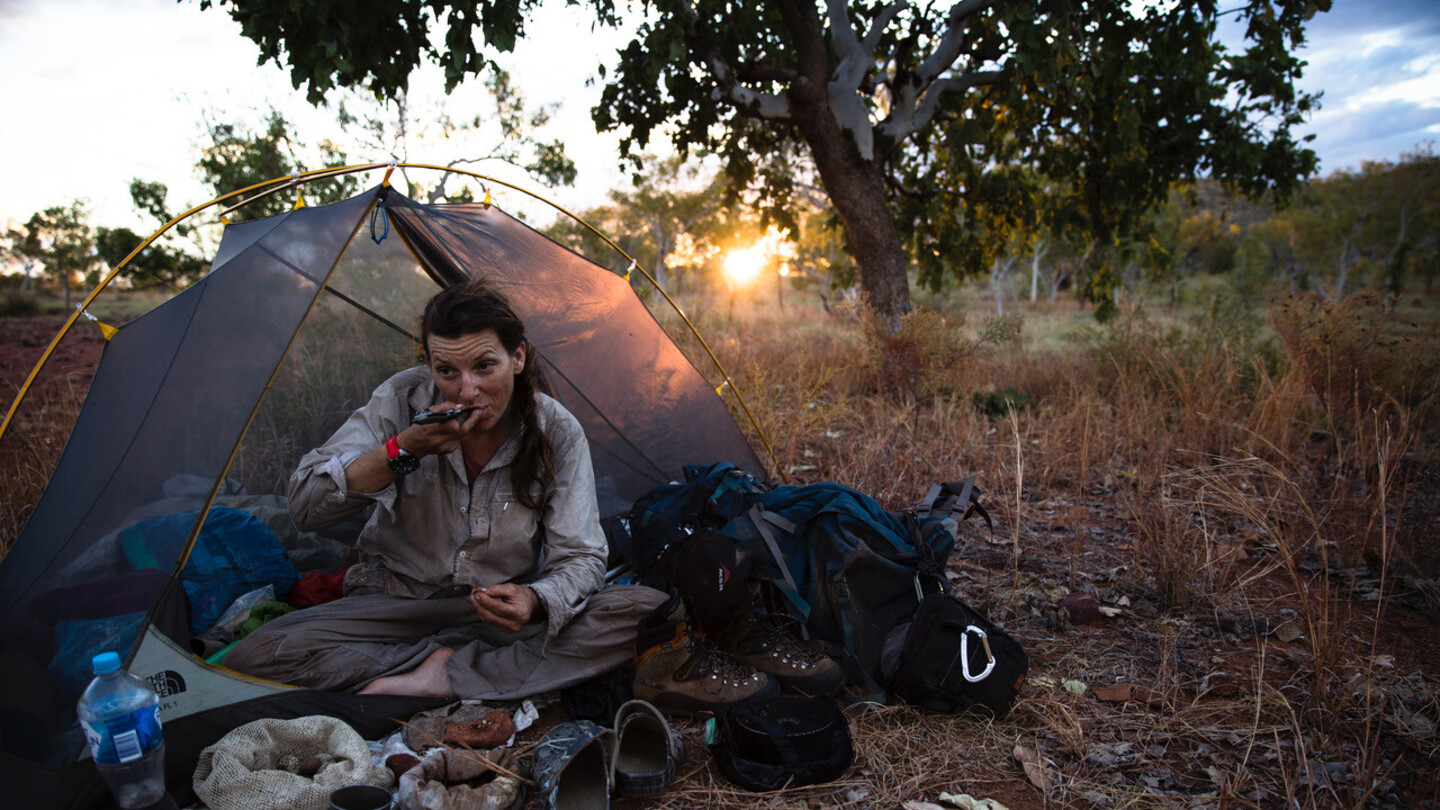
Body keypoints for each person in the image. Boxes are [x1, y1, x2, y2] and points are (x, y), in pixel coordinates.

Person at [225, 277, 773, 708]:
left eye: (484, 366)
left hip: (498, 617)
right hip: (394, 605)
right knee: (257, 654)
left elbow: (582, 557)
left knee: (641, 609)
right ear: (428, 364)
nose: (466, 390)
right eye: (446, 370)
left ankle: (442, 676)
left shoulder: (556, 431)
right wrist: (403, 449)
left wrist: (536, 599)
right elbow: (306, 506)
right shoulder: (400, 402)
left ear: (518, 357)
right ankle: (458, 672)